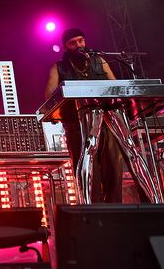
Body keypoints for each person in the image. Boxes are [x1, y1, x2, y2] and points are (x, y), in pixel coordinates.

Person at [44, 28, 124, 203]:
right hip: (77, 126)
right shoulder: (58, 68)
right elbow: (50, 97)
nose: (79, 45)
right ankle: (94, 215)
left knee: (113, 169)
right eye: (73, 42)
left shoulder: (99, 61)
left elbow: (116, 87)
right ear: (65, 47)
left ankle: (116, 212)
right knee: (88, 175)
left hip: (106, 122)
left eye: (81, 40)